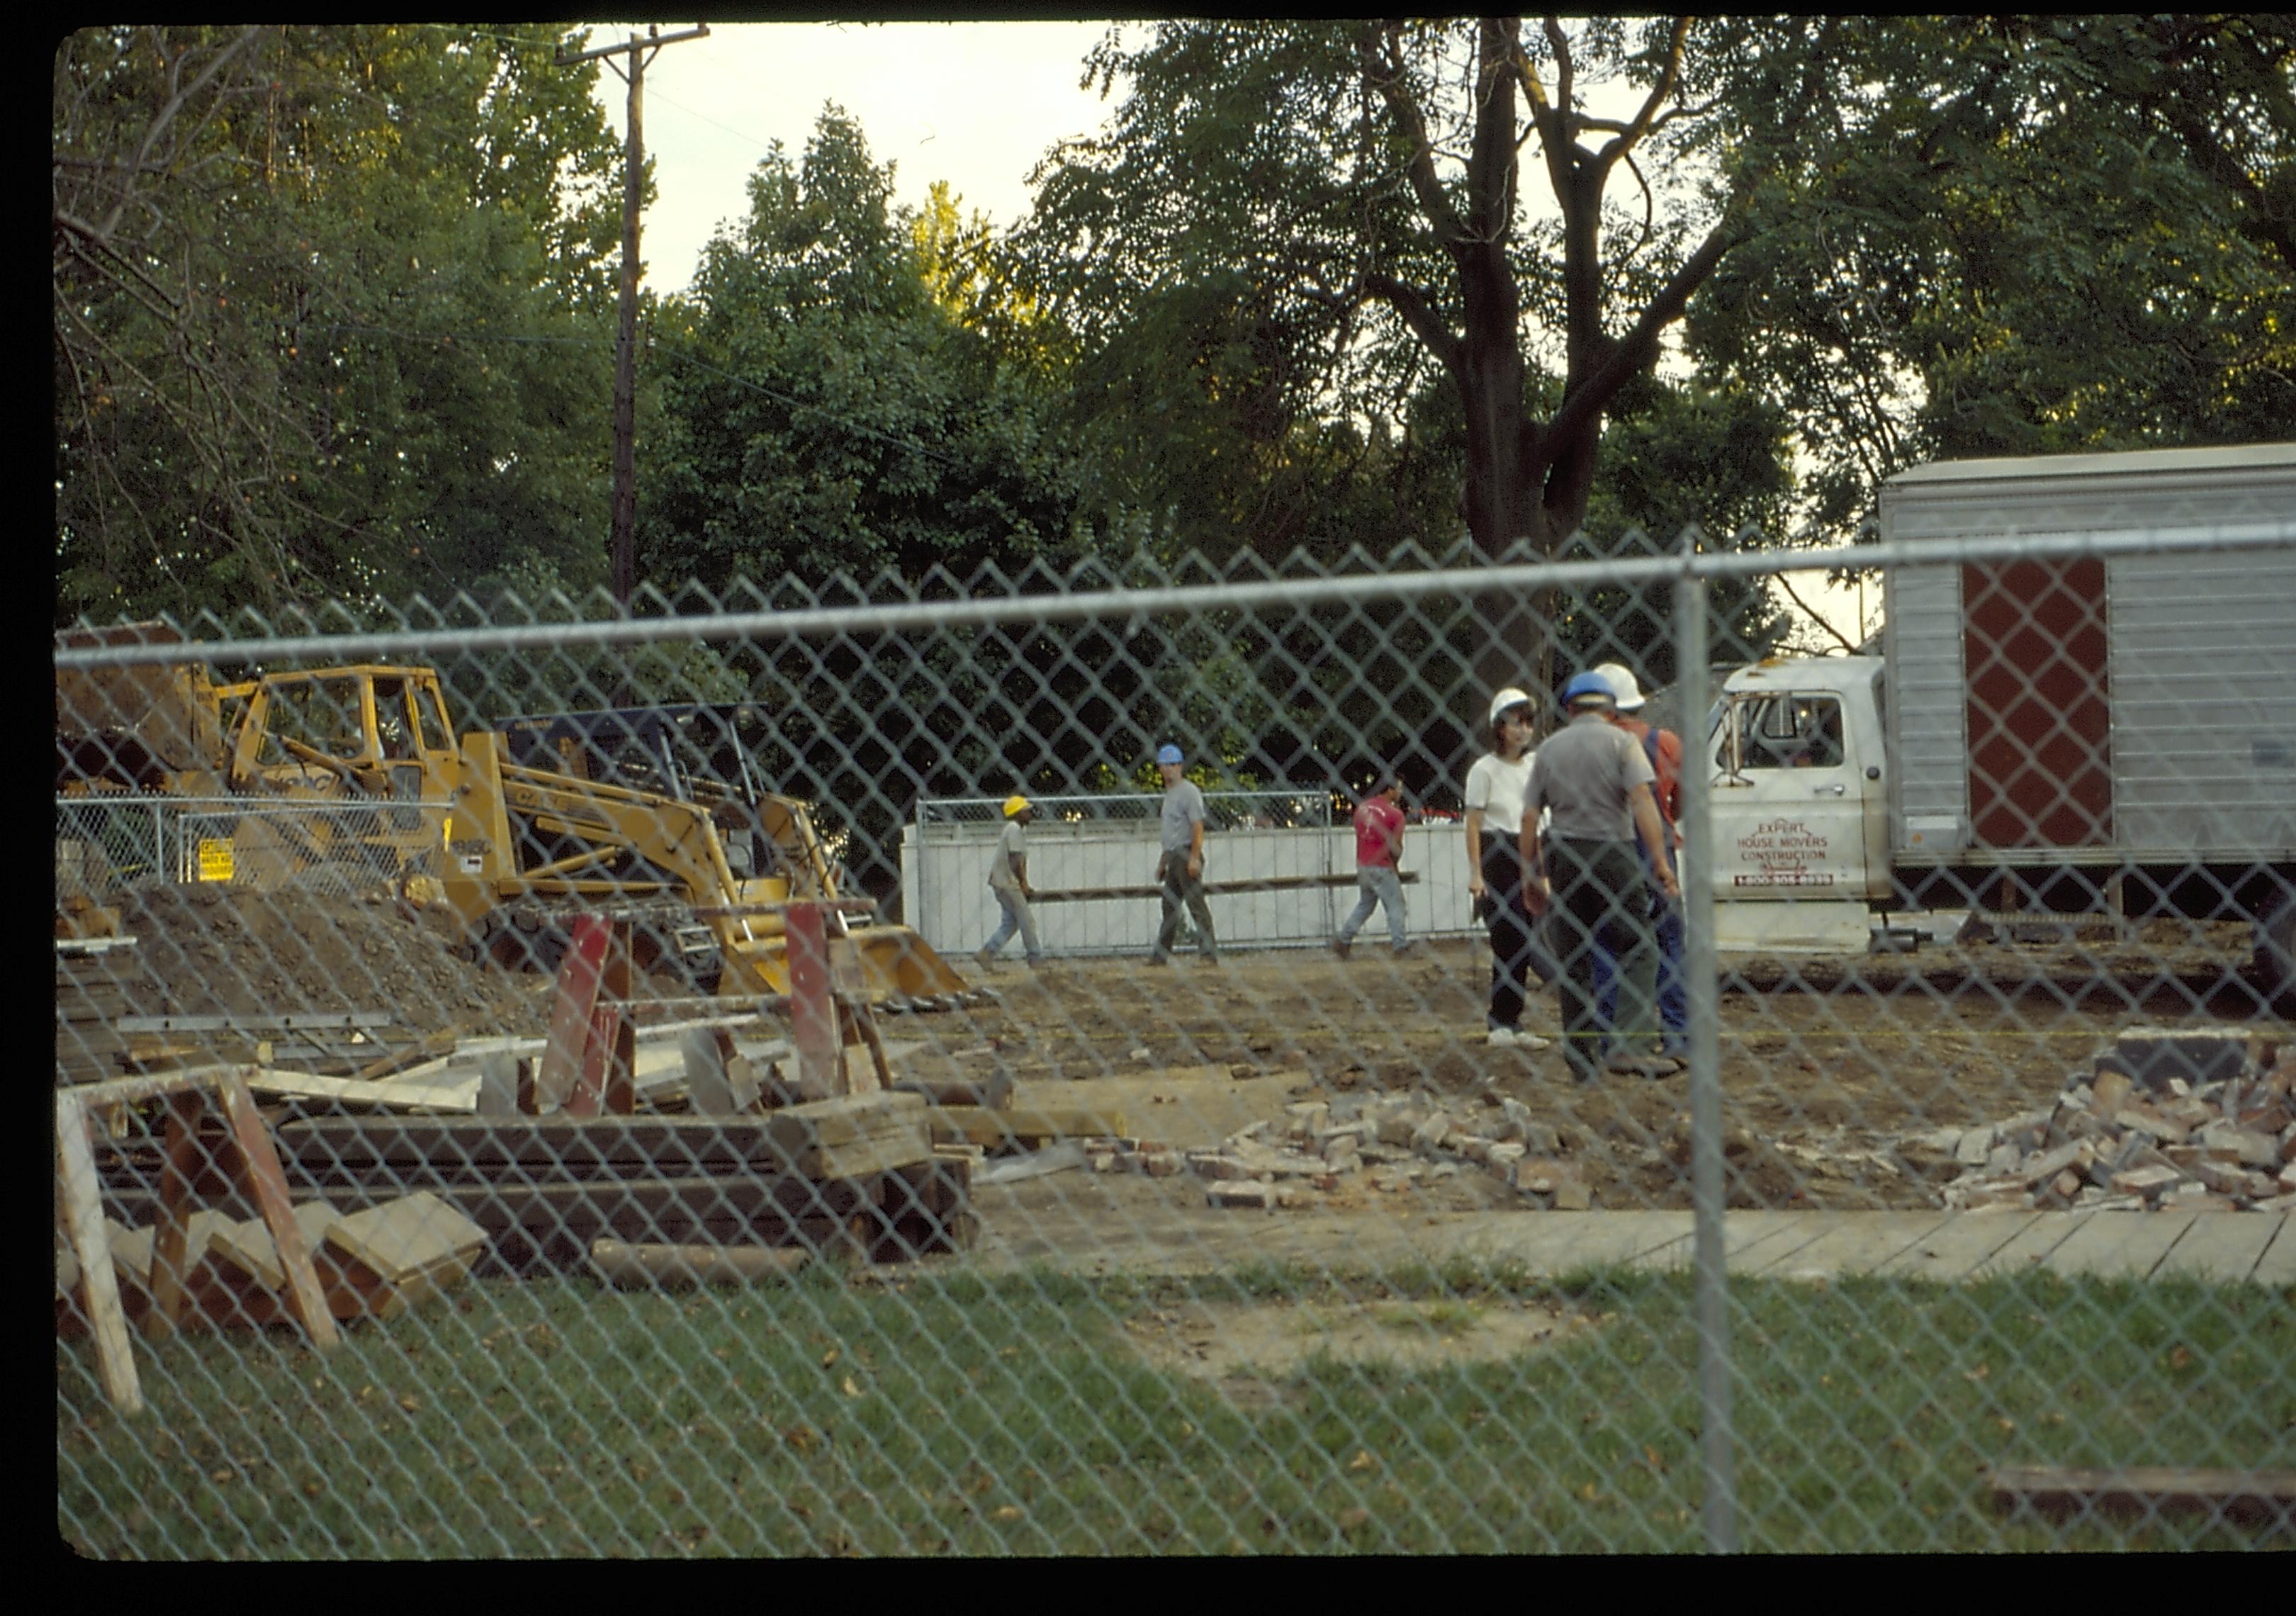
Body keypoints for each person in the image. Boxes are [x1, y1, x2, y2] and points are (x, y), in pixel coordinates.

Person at [1521, 672, 1681, 1082]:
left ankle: (1582, 1061)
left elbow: (1530, 816)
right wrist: (1661, 863)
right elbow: (1643, 800)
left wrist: (1530, 874)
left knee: (1575, 959)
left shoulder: (1549, 749)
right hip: (1613, 851)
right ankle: (1632, 1046)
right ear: (1611, 710)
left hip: (1564, 854)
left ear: (1570, 709)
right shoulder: (1622, 742)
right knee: (1639, 946)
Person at [1589, 663, 1687, 1068]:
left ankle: (1614, 1039)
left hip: (1609, 850)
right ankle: (1678, 1037)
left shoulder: (1590, 747)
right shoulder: (1665, 743)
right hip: (1657, 851)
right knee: (1668, 944)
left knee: (1608, 944)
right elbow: (1680, 802)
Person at [1464, 688, 1558, 1048]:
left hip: (1530, 849)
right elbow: (1472, 823)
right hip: (1498, 853)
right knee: (1508, 937)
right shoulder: (1484, 771)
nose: (1524, 730)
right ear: (1499, 728)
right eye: (1516, 723)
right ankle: (1500, 1021)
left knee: (1525, 936)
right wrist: (1476, 873)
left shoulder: (1535, 766)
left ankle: (1512, 1021)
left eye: (1528, 722)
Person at [1149, 744, 1218, 965]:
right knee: (1169, 907)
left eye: (1172, 765)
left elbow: (1197, 826)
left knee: (1196, 904)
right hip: (1174, 856)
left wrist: (1195, 857)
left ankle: (1208, 953)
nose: (1167, 769)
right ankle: (1161, 955)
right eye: (1164, 765)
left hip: (1187, 852)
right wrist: (1163, 862)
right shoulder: (1170, 795)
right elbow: (1171, 833)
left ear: (1180, 766)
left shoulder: (1188, 792)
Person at [1334, 771, 1409, 958]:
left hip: (1363, 865)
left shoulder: (1362, 809)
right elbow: (1396, 846)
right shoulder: (1395, 814)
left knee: (1365, 905)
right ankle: (1400, 946)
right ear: (1390, 790)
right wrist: (1395, 865)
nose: (1400, 792)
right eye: (1398, 788)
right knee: (1396, 906)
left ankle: (1343, 940)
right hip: (1382, 866)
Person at [977, 794, 1044, 967]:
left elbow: (1020, 860)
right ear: (1017, 813)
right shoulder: (1014, 829)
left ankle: (987, 952)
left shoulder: (1015, 830)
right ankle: (1035, 957)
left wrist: (1023, 882)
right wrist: (1023, 884)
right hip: (1008, 883)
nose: (1030, 813)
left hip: (1003, 882)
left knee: (1011, 923)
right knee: (1027, 920)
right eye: (1026, 811)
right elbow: (1015, 860)